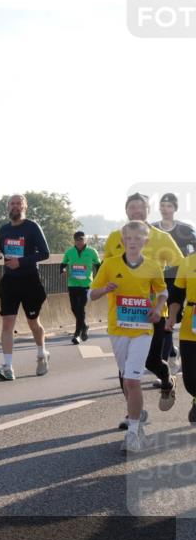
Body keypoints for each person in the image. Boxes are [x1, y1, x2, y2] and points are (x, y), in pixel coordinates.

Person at [91, 221, 167, 452]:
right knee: (127, 380)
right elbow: (92, 293)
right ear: (123, 241)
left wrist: (157, 309)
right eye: (129, 238)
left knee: (133, 381)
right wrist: (104, 290)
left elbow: (162, 291)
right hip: (118, 330)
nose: (133, 242)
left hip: (142, 330)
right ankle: (138, 418)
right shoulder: (110, 264)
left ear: (146, 241)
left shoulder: (153, 266)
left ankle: (133, 433)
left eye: (138, 238)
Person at [103, 193, 182, 408]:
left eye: (141, 207)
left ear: (148, 210)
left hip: (152, 312)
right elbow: (105, 268)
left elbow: (180, 267)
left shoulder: (162, 238)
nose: (136, 211)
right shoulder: (115, 237)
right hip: (122, 312)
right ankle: (133, 413)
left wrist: (169, 298)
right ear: (126, 211)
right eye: (132, 207)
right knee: (125, 366)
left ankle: (167, 382)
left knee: (152, 361)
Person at [0, 194, 50, 380]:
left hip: (30, 281)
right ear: (8, 207)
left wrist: (21, 262)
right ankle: (7, 367)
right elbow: (1, 254)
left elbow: (45, 253)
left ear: (24, 206)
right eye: (12, 204)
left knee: (33, 323)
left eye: (18, 203)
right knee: (7, 324)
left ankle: (42, 354)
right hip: (9, 281)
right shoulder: (4, 229)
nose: (15, 206)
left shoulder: (32, 227)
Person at [152, 192, 196, 373]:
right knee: (164, 322)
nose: (165, 209)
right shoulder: (153, 229)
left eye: (169, 206)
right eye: (162, 205)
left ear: (175, 209)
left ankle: (171, 353)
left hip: (181, 282)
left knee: (171, 321)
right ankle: (168, 359)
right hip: (159, 282)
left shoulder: (185, 229)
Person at [167, 248, 196, 424]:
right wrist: (172, 317)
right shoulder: (188, 262)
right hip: (190, 326)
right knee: (190, 376)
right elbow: (177, 296)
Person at [59, 231, 100, 344]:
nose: (79, 242)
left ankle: (77, 334)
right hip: (72, 284)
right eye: (77, 240)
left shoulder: (92, 251)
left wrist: (99, 281)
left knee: (81, 308)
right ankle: (84, 326)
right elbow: (63, 264)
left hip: (86, 285)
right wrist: (63, 271)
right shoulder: (69, 252)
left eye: (81, 239)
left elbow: (98, 266)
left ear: (85, 239)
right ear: (74, 241)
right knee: (74, 308)